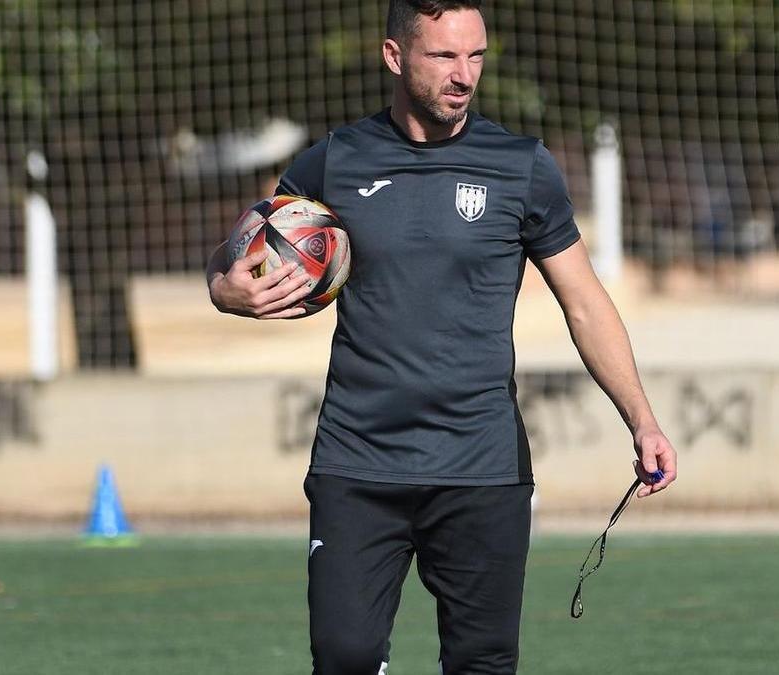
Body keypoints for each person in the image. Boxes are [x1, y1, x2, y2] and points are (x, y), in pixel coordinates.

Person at [206, 1, 677, 672]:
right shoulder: (333, 161)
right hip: (358, 461)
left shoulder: (520, 165)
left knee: (482, 662)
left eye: (475, 56)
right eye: (444, 56)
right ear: (394, 57)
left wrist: (642, 419)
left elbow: (585, 304)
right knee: (344, 655)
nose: (464, 74)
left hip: (481, 466)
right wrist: (225, 291)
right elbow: (243, 251)